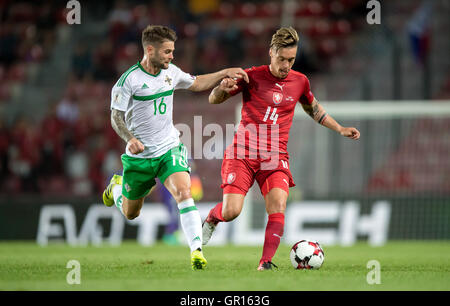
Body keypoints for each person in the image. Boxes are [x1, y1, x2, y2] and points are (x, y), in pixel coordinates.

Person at [202, 27, 360, 270]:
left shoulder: (300, 81)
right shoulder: (251, 76)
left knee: (278, 205)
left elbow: (314, 109)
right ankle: (212, 218)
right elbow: (214, 99)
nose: (286, 65)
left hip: (275, 156)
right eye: (282, 59)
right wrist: (222, 88)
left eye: (291, 60)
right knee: (232, 211)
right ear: (271, 53)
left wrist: (339, 128)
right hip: (242, 153)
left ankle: (265, 262)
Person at [102, 25, 249, 270]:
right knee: (130, 213)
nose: (172, 56)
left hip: (169, 148)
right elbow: (116, 117)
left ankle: (196, 251)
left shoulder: (171, 73)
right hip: (140, 157)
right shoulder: (128, 81)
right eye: (168, 51)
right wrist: (129, 138)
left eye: (173, 51)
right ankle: (117, 188)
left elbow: (197, 82)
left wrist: (224, 72)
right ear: (150, 50)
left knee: (184, 192)